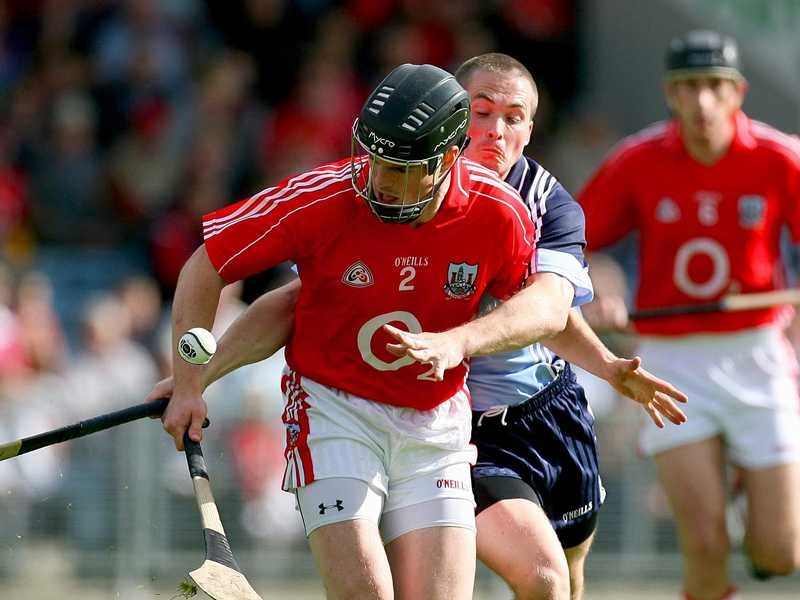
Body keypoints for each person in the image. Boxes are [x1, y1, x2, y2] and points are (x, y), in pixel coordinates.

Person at [152, 54, 688, 600]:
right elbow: (210, 267)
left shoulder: (501, 214)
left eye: (402, 169)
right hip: (334, 409)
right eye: (375, 160)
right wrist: (192, 381)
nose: (380, 181)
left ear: (447, 159)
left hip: (437, 421)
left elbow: (540, 311)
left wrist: (599, 362)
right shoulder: (323, 196)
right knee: (366, 594)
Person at [579, 30, 800, 600]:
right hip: (670, 361)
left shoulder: (779, 157)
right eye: (687, 86)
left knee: (779, 555)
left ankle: (741, 481)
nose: (702, 101)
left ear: (737, 92)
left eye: (713, 86)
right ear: (669, 94)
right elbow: (573, 240)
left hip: (756, 353)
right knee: (704, 545)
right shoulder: (636, 160)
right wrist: (602, 284)